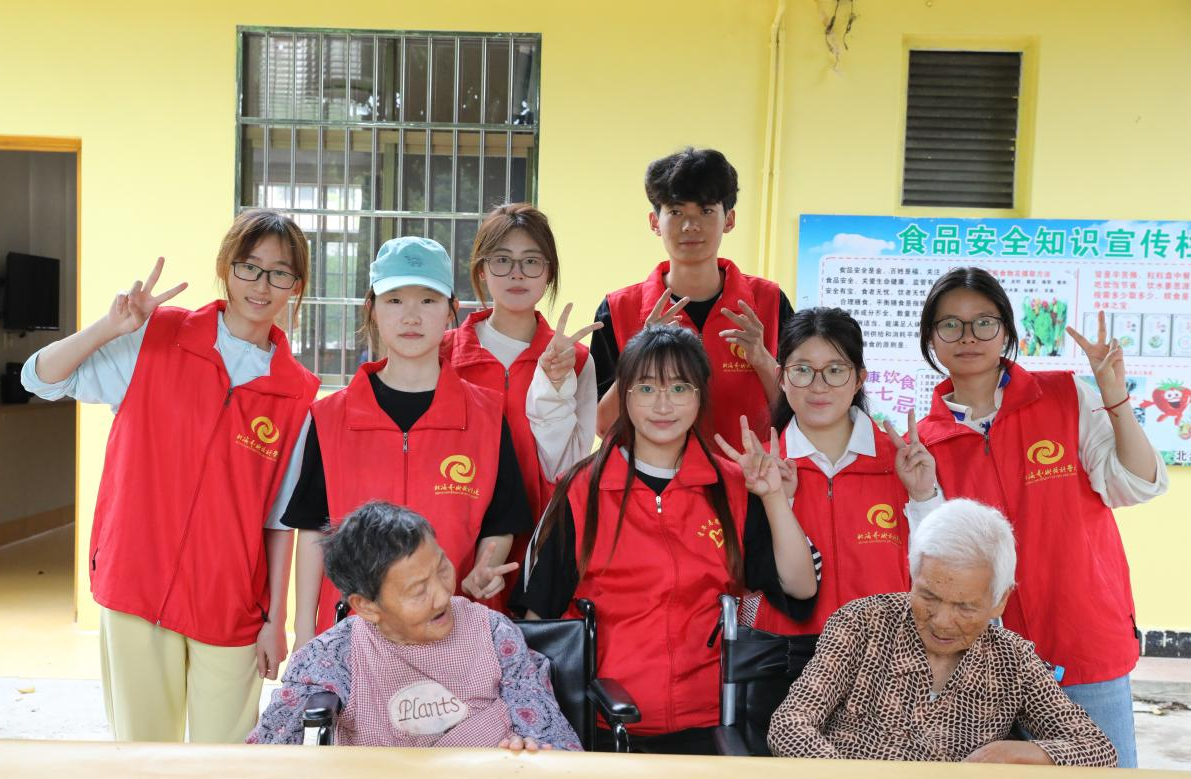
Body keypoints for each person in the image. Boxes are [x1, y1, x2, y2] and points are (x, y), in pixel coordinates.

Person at [21, 210, 320, 742]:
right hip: (135, 583)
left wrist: (277, 620)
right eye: (249, 267)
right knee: (142, 758)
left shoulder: (296, 391)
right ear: (226, 267)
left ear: (296, 286)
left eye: (280, 273)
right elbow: (40, 378)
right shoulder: (157, 337)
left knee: (225, 761)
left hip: (230, 601)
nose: (261, 284)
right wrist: (110, 328)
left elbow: (280, 521)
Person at [514, 325, 820, 754]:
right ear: (625, 396)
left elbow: (800, 587)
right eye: (646, 388)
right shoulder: (581, 489)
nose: (663, 405)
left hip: (714, 724)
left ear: (700, 395)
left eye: (679, 388)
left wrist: (772, 498)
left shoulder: (732, 486)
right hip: (603, 726)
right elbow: (536, 619)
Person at [909, 267, 1168, 767]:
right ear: (931, 339)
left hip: (1083, 641)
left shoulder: (1065, 397)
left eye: (984, 322)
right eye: (950, 325)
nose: (968, 337)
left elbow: (1136, 483)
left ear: (1007, 331)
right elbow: (933, 560)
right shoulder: (924, 442)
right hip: (983, 664)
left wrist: (1114, 395)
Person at [281, 236, 533, 646]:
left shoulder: (486, 415)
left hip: (454, 631)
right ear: (372, 309)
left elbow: (502, 522)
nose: (411, 316)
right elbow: (312, 531)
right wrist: (306, 632)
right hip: (352, 636)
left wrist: (485, 567)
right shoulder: (330, 418)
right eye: (395, 300)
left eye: (428, 300)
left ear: (451, 311)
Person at [768, 498, 1117, 767]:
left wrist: (1014, 752)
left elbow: (1097, 749)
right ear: (913, 576)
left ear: (1000, 601)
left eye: (965, 606)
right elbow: (790, 724)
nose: (942, 622)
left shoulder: (1013, 660)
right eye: (929, 597)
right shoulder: (862, 624)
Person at [249, 501, 580, 749]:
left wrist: (531, 750)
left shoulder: (494, 634)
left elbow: (551, 736)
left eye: (442, 568)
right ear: (366, 606)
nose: (442, 596)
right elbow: (268, 754)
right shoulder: (333, 657)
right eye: (418, 590)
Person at [441, 203, 600, 609]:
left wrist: (556, 383)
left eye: (531, 261)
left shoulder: (576, 361)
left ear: (549, 273)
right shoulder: (443, 354)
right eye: (502, 260)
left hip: (543, 546)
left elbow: (572, 462)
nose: (517, 274)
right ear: (481, 270)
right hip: (458, 543)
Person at [589, 147, 794, 449]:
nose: (690, 225)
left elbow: (799, 415)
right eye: (676, 212)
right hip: (652, 479)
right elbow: (602, 425)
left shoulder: (770, 302)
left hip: (752, 475)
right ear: (654, 222)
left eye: (706, 211)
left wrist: (762, 359)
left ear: (729, 219)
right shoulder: (617, 310)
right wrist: (641, 355)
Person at [749, 307, 934, 636]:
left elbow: (940, 572)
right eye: (802, 370)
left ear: (859, 379)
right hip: (786, 656)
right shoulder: (758, 470)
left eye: (835, 370)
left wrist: (924, 497)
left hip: (886, 656)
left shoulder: (905, 465)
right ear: (781, 378)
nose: (818, 386)